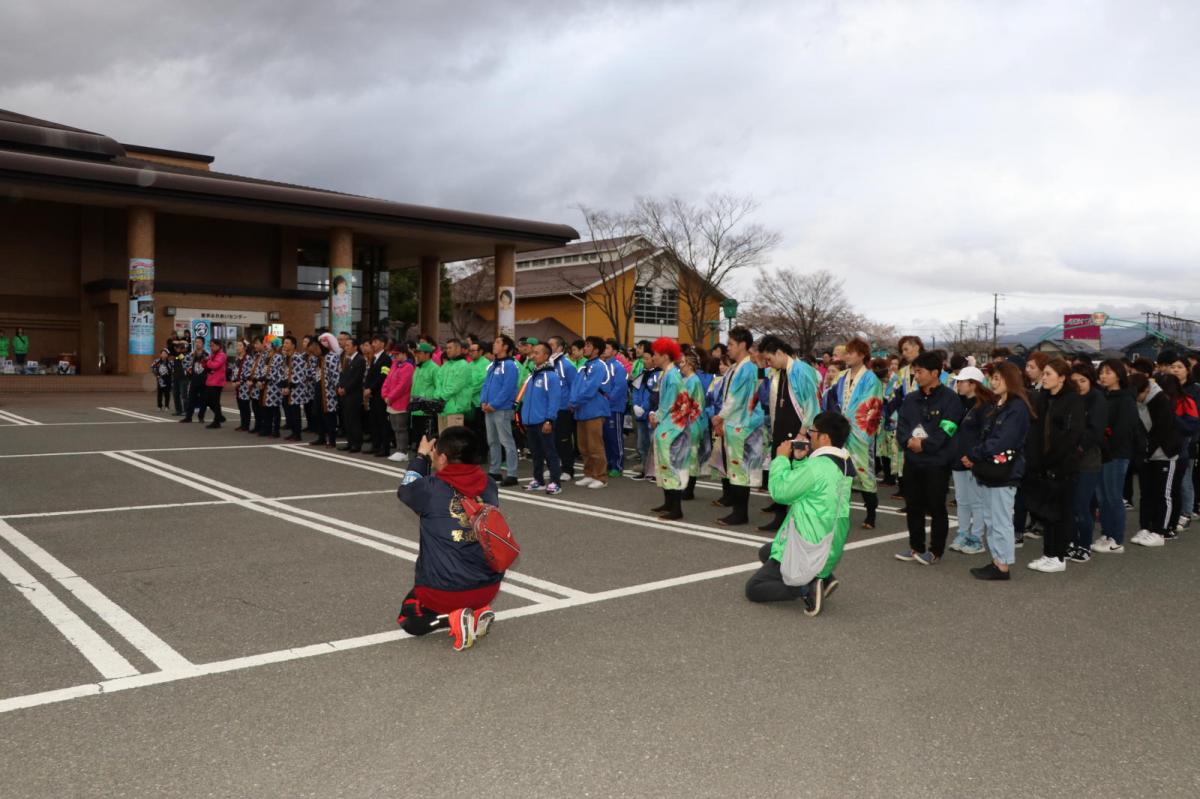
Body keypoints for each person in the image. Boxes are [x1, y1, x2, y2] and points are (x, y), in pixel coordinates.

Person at [395, 428, 503, 651]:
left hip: (444, 590)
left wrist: (421, 456)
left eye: (436, 452)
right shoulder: (488, 484)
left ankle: (453, 617)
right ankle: (478, 610)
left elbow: (406, 490)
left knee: (409, 617)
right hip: (488, 588)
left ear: (442, 457)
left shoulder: (431, 488)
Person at [744, 411, 854, 616]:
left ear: (824, 438)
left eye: (812, 431)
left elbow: (780, 493)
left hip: (807, 546)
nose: (808, 436)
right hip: (828, 544)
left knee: (754, 589)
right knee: (767, 551)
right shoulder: (843, 462)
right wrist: (801, 462)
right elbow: (812, 491)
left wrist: (781, 460)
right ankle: (823, 577)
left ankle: (807, 589)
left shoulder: (818, 466)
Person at [893, 352, 965, 565]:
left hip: (937, 462)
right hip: (913, 462)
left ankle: (935, 551)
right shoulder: (910, 398)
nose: (916, 375)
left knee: (936, 507)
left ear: (935, 373)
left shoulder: (951, 399)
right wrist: (909, 442)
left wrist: (924, 444)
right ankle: (915, 547)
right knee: (913, 506)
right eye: (914, 371)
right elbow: (902, 427)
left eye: (920, 371)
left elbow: (948, 429)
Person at [966, 362, 1033, 580]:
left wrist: (975, 454)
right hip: (992, 470)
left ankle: (1002, 564)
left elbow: (1002, 441)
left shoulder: (1017, 407)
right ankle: (997, 560)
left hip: (1004, 471)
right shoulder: (1001, 404)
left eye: (997, 378)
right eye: (991, 378)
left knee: (1001, 519)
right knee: (992, 517)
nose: (993, 383)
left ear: (1010, 379)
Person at [1026, 359, 1084, 573]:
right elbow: (1035, 431)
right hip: (1043, 465)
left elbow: (1073, 435)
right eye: (1044, 374)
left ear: (1062, 377)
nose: (1044, 377)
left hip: (1063, 466)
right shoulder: (1042, 398)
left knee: (1061, 513)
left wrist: (1053, 459)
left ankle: (1058, 556)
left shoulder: (1072, 400)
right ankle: (1048, 553)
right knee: (1047, 512)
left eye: (1049, 374)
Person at [758, 336, 821, 533]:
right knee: (781, 469)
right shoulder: (780, 372)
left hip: (798, 429)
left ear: (779, 352)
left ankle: (793, 518)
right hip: (781, 427)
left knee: (796, 475)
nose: (769, 363)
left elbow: (812, 403)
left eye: (769, 359)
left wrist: (803, 432)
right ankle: (780, 514)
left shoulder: (801, 370)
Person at [711, 326, 766, 526]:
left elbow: (735, 398)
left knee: (739, 470)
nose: (728, 348)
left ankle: (740, 513)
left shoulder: (747, 368)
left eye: (731, 344)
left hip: (743, 426)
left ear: (743, 345)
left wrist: (720, 416)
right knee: (737, 470)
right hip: (736, 425)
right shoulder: (737, 367)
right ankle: (738, 511)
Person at [827, 338, 885, 529]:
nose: (847, 356)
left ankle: (871, 514)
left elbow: (870, 405)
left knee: (864, 473)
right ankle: (840, 513)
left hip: (859, 433)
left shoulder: (871, 379)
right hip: (841, 432)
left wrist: (846, 422)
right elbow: (833, 400)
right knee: (840, 473)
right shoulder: (841, 376)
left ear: (861, 355)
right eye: (847, 352)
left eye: (851, 353)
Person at [648, 338, 700, 520]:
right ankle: (669, 503)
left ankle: (676, 508)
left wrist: (656, 416)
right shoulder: (669, 373)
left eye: (655, 353)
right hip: (670, 425)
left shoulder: (671, 375)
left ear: (664, 355)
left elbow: (669, 403)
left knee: (671, 466)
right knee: (665, 465)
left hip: (673, 427)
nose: (653, 356)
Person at [947, 366, 993, 555]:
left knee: (977, 501)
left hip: (974, 460)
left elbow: (987, 435)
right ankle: (963, 533)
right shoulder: (959, 403)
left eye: (961, 381)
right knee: (962, 500)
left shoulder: (985, 406)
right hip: (958, 458)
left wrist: (976, 456)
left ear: (973, 384)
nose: (958, 384)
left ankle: (976, 538)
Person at [1093, 359, 1137, 553]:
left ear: (1119, 375)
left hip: (1116, 454)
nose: (1103, 375)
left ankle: (1116, 539)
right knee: (1102, 497)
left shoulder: (1125, 399)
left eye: (1108, 372)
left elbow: (1122, 431)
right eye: (1101, 372)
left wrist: (1105, 445)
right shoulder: (1104, 396)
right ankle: (1107, 533)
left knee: (1113, 496)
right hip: (1102, 453)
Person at [1066, 363, 1107, 562]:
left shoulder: (1097, 399)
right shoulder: (1069, 399)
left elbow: (1096, 431)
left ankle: (1084, 545)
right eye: (1074, 381)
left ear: (1091, 380)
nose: (1079, 385)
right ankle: (1072, 542)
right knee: (1071, 505)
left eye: (1083, 380)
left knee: (1082, 506)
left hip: (1088, 460)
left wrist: (1078, 447)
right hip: (1068, 460)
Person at [569, 336, 611, 489]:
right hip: (581, 410)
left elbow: (590, 389)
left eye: (588, 345)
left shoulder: (599, 366)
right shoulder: (584, 365)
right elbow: (575, 386)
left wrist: (574, 402)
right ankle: (589, 474)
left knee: (595, 445)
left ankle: (600, 477)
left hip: (594, 410)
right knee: (583, 445)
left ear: (596, 350)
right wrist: (573, 401)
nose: (584, 348)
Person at [522, 342, 563, 494]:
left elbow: (554, 400)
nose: (533, 355)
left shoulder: (551, 376)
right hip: (531, 421)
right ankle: (538, 480)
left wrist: (549, 420)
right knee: (536, 453)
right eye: (533, 352)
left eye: (537, 353)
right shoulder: (533, 374)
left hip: (543, 421)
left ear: (546, 356)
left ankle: (555, 482)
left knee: (550, 452)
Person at [481, 334, 520, 486]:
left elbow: (508, 389)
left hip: (501, 409)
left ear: (505, 347)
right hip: (488, 408)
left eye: (498, 342)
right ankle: (494, 471)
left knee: (506, 441)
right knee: (492, 441)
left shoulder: (510, 365)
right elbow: (486, 385)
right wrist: (483, 401)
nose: (494, 344)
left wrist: (494, 404)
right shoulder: (493, 365)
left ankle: (512, 473)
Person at [547, 336, 578, 482]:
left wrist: (572, 404)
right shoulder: (548, 364)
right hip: (550, 408)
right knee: (551, 440)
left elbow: (574, 386)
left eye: (552, 345)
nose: (549, 347)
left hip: (564, 408)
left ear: (560, 348)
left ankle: (568, 469)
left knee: (563, 440)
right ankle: (555, 466)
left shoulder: (567, 365)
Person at [380, 341, 414, 462]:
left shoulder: (409, 367)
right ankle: (399, 449)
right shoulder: (395, 364)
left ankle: (403, 451)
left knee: (401, 427)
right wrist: (384, 394)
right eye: (394, 354)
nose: (395, 357)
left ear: (404, 354)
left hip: (401, 402)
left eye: (397, 354)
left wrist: (390, 397)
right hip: (391, 401)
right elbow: (387, 380)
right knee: (395, 427)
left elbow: (402, 386)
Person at [629, 343, 659, 480]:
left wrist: (644, 407)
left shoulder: (658, 374)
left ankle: (654, 471)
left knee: (653, 443)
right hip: (640, 415)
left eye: (648, 358)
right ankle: (645, 469)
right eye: (644, 359)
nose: (645, 361)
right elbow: (635, 390)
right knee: (642, 444)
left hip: (651, 415)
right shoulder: (642, 373)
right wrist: (635, 405)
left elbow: (654, 395)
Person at [600, 339, 629, 479]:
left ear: (615, 351)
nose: (604, 350)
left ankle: (617, 465)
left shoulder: (618, 367)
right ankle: (608, 463)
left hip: (615, 408)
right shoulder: (603, 365)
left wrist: (608, 399)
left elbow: (620, 387)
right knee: (605, 437)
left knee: (615, 438)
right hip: (603, 408)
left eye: (607, 348)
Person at [434, 338, 475, 435]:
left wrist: (441, 397)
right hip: (442, 409)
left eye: (450, 348)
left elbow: (455, 387)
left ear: (458, 349)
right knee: (443, 440)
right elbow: (438, 381)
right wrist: (437, 395)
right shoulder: (446, 365)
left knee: (454, 441)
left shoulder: (463, 365)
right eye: (446, 348)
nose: (447, 350)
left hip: (455, 409)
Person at [363, 334, 394, 457]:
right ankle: (375, 445)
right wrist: (366, 387)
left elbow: (383, 376)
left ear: (382, 344)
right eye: (372, 342)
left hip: (380, 395)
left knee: (382, 422)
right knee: (374, 421)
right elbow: (370, 375)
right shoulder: (374, 358)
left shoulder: (386, 359)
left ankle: (384, 447)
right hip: (373, 395)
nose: (373, 344)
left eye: (375, 342)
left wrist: (371, 388)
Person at [311, 333, 342, 448]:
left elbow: (335, 375)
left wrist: (336, 388)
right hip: (319, 389)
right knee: (318, 414)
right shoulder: (319, 358)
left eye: (317, 347)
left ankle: (332, 440)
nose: (315, 349)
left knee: (329, 415)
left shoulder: (331, 357)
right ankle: (321, 437)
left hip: (328, 392)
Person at [410, 342, 441, 446]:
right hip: (416, 408)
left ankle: (426, 459)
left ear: (427, 354)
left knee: (427, 438)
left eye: (419, 353)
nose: (417, 355)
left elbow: (438, 387)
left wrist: (432, 402)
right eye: (416, 353)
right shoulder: (418, 367)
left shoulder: (434, 368)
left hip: (426, 409)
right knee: (417, 436)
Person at [337, 337, 365, 452]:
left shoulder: (360, 360)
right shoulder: (347, 359)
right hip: (345, 394)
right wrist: (339, 386)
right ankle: (350, 442)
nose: (346, 347)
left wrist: (346, 389)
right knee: (347, 419)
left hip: (354, 394)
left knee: (354, 420)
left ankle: (356, 444)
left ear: (355, 347)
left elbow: (357, 378)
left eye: (348, 345)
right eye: (346, 345)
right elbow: (342, 375)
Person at [179, 337, 209, 423]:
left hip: (204, 380)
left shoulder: (207, 354)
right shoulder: (191, 354)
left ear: (203, 343)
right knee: (191, 399)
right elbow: (184, 362)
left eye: (199, 342)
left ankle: (201, 417)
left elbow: (211, 366)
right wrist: (188, 369)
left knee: (203, 400)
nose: (197, 344)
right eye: (196, 342)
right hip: (194, 380)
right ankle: (188, 417)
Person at [202, 338, 228, 428]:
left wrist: (208, 361)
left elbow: (215, 365)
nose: (211, 347)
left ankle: (217, 421)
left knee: (215, 402)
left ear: (218, 346)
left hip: (217, 382)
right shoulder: (213, 355)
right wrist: (204, 361)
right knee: (209, 401)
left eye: (212, 345)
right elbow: (206, 366)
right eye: (210, 346)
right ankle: (219, 417)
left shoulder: (221, 355)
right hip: (211, 381)